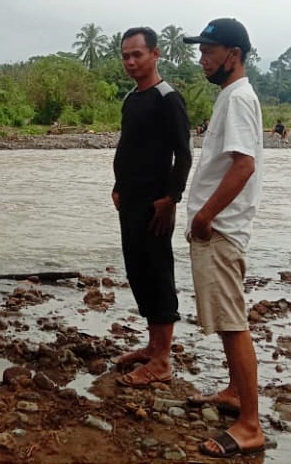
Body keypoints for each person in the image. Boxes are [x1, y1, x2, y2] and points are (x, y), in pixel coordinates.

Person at [183, 18, 269, 458]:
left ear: (232, 55)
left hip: (221, 229)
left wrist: (205, 215)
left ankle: (250, 425)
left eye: (209, 50)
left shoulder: (238, 99)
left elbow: (243, 165)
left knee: (233, 322)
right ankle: (236, 391)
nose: (203, 59)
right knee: (228, 316)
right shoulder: (231, 96)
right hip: (221, 227)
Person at [111, 26, 193, 387]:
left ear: (155, 54)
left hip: (155, 204)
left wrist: (171, 198)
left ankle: (162, 360)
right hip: (129, 199)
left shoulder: (167, 98)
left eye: (137, 55)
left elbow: (184, 154)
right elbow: (129, 148)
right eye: (126, 56)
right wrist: (117, 186)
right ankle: (151, 346)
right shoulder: (132, 99)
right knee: (138, 271)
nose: (130, 62)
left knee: (158, 272)